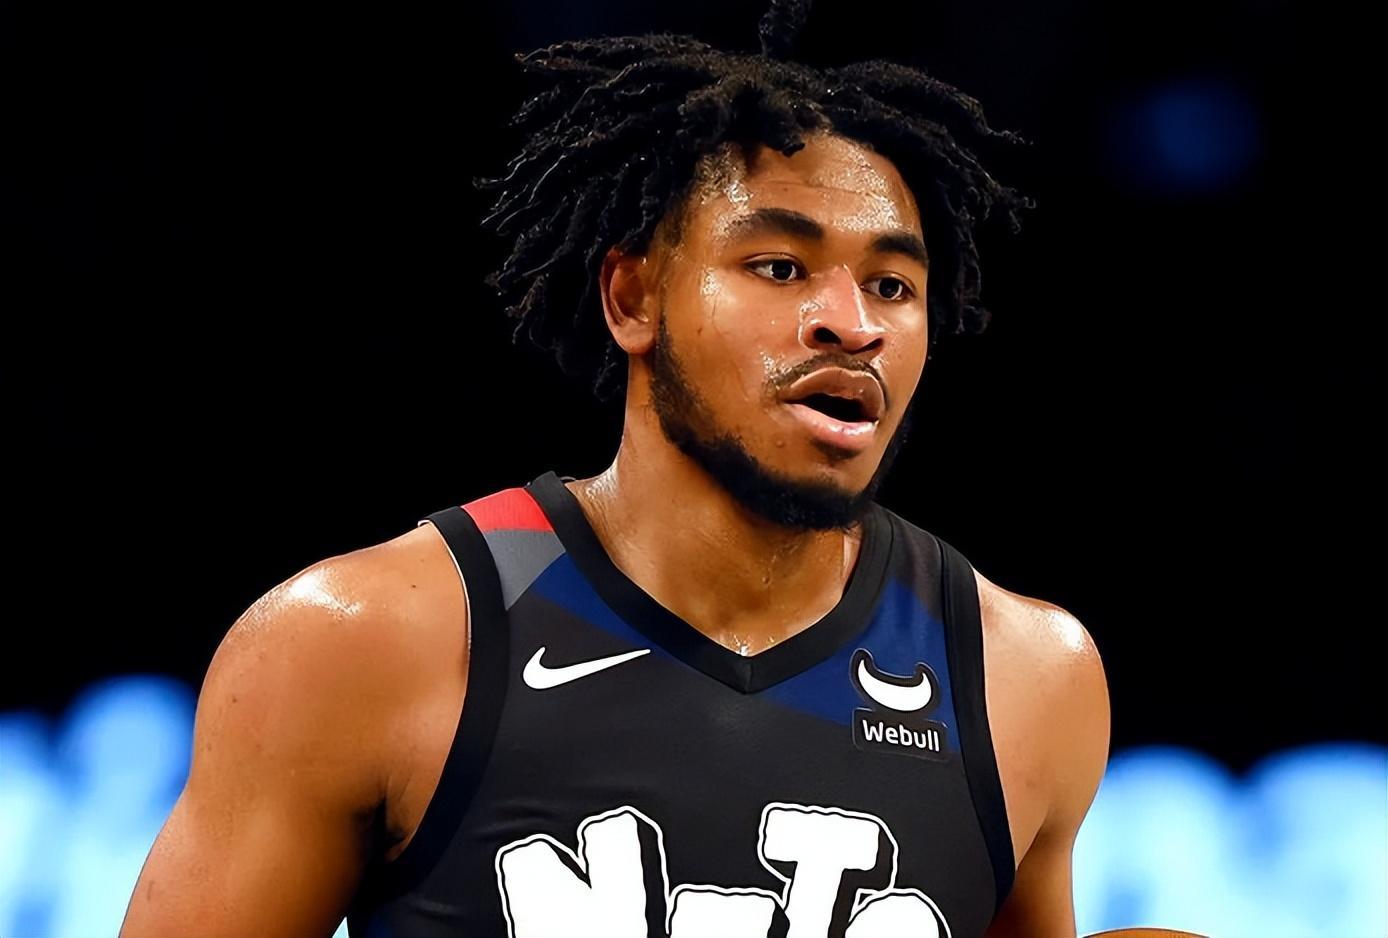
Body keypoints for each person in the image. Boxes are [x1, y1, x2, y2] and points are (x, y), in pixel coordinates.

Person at [120, 3, 1109, 936]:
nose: (851, 324)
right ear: (633, 298)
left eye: (891, 285)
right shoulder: (363, 641)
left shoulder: (1028, 677)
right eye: (779, 267)